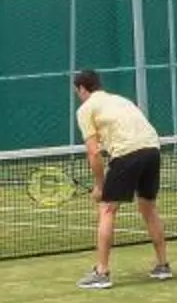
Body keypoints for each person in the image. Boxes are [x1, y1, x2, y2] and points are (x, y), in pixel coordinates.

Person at [71, 69, 170, 289]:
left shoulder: (85, 109)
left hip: (128, 153)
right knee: (148, 208)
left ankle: (101, 273)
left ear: (82, 89)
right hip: (153, 150)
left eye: (77, 91)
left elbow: (94, 152)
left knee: (107, 209)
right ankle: (163, 265)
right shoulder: (120, 100)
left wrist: (100, 186)